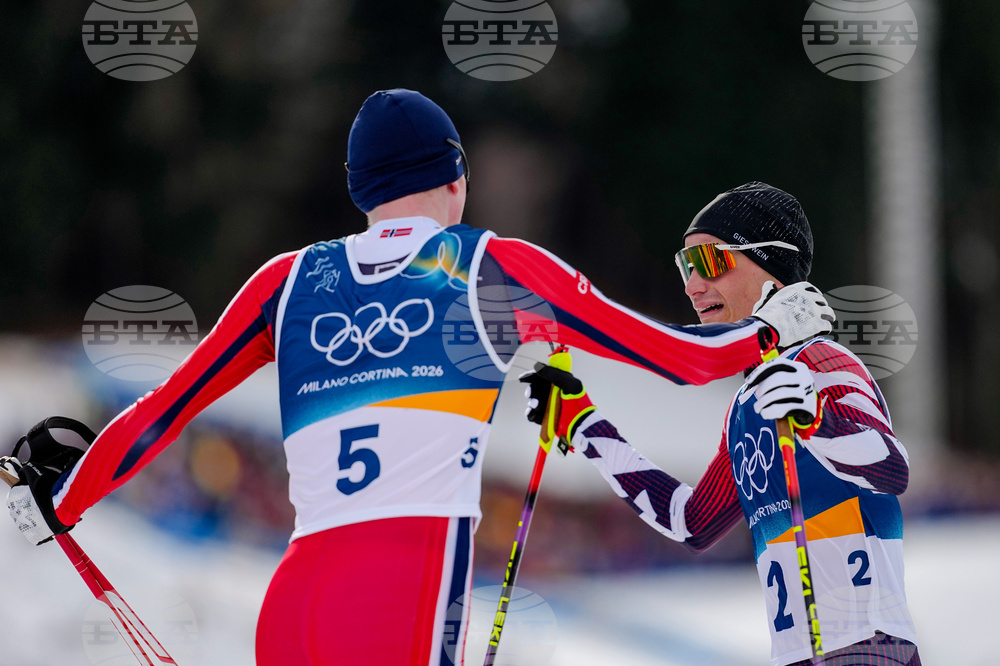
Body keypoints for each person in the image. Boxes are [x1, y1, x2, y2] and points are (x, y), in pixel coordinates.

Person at [5, 94, 833, 666]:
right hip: (403, 581)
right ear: (454, 178)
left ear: (362, 190)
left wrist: (60, 499)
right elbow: (681, 358)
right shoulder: (489, 268)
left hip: (296, 601)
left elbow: (165, 407)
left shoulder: (285, 282)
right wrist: (776, 327)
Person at [521, 182, 920, 666]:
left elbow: (892, 469)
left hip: (868, 648)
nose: (692, 285)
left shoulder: (821, 361)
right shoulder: (745, 404)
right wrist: (584, 426)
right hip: (797, 655)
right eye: (685, 267)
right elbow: (693, 522)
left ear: (771, 266)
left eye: (710, 262)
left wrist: (817, 417)